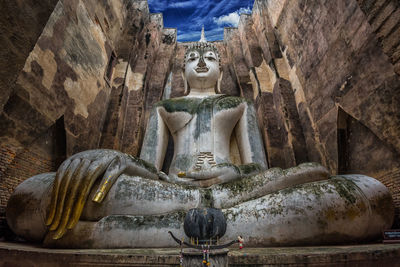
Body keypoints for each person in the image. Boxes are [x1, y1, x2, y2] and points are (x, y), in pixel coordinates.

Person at [6, 35, 394, 248]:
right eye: (195, 56)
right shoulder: (165, 106)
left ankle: (104, 233)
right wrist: (114, 159)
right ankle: (217, 223)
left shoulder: (239, 104)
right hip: (169, 190)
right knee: (33, 196)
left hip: (237, 191)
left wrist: (229, 173)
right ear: (183, 67)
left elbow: (257, 167)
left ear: (221, 66)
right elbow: (148, 166)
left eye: (211, 55)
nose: (203, 60)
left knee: (362, 192)